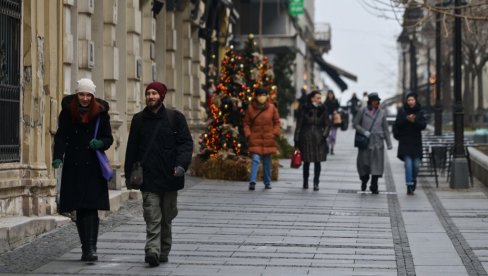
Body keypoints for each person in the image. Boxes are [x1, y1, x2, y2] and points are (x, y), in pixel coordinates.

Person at [124, 82, 193, 267]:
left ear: (161, 96)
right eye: (148, 93)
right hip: (148, 178)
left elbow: (186, 144)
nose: (151, 97)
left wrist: (181, 165)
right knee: (152, 215)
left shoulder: (175, 118)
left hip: (171, 177)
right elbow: (132, 149)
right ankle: (152, 251)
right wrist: (128, 174)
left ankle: (164, 250)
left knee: (167, 216)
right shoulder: (139, 119)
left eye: (154, 93)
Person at [53, 78, 113, 262]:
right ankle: (85, 247)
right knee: (79, 207)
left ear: (93, 96)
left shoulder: (101, 114)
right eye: (81, 94)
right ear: (76, 94)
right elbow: (61, 136)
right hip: (74, 165)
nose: (85, 98)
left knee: (91, 208)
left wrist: (100, 143)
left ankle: (92, 248)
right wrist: (58, 156)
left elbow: (108, 138)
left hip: (93, 166)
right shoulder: (67, 112)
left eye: (88, 95)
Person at [354, 92, 393, 194]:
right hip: (365, 142)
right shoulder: (362, 111)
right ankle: (364, 179)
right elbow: (355, 124)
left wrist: (389, 143)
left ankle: (374, 185)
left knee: (376, 165)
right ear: (370, 102)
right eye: (376, 101)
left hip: (378, 142)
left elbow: (386, 129)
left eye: (378, 101)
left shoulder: (382, 113)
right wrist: (364, 132)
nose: (378, 103)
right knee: (363, 164)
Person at [243, 88, 281, 190]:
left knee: (267, 161)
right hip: (255, 138)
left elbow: (277, 122)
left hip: (268, 138)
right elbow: (246, 123)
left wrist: (275, 133)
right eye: (260, 95)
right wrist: (248, 135)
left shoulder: (272, 108)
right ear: (256, 96)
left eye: (264, 95)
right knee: (255, 159)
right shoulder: (250, 108)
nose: (262, 97)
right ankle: (252, 181)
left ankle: (267, 182)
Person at [294, 90, 329, 191]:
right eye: (317, 98)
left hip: (318, 139)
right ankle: (305, 182)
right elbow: (299, 125)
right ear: (312, 98)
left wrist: (324, 135)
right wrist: (296, 138)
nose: (319, 100)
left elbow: (327, 124)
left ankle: (316, 183)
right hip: (306, 138)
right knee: (306, 162)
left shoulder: (323, 109)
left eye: (320, 98)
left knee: (318, 162)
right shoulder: (304, 108)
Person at [393, 92, 427, 195]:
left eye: (412, 100)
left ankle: (413, 179)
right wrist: (406, 119)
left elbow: (423, 125)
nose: (410, 102)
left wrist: (414, 121)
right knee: (408, 165)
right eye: (408, 100)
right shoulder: (402, 111)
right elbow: (397, 124)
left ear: (415, 100)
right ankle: (409, 185)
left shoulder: (420, 112)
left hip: (416, 143)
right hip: (405, 142)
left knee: (416, 165)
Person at [324, 89, 340, 155]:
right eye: (329, 94)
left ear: (333, 95)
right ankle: (327, 146)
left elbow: (339, 108)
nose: (330, 95)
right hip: (328, 120)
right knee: (327, 135)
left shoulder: (336, 101)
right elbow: (323, 110)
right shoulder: (326, 102)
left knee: (333, 135)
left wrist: (336, 111)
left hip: (334, 120)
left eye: (331, 94)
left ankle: (332, 148)